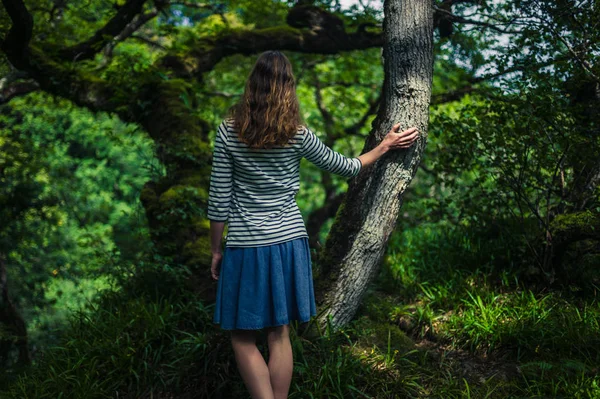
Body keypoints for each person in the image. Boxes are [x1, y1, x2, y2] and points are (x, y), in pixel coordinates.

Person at [208, 50, 419, 399]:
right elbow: (347, 166)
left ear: (252, 86)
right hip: (289, 242)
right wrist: (385, 145)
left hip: (246, 245)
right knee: (280, 333)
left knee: (242, 337)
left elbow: (218, 200)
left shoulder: (228, 132)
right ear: (288, 88)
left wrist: (216, 249)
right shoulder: (296, 133)